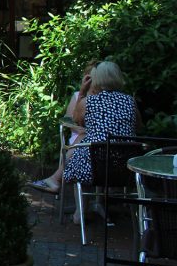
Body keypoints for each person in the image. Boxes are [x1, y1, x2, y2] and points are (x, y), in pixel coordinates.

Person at [30, 61, 139, 197]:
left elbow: (78, 122)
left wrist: (82, 92)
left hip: (94, 168)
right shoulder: (130, 101)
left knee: (83, 141)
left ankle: (56, 182)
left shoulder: (89, 102)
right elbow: (137, 126)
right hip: (125, 168)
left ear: (96, 79)